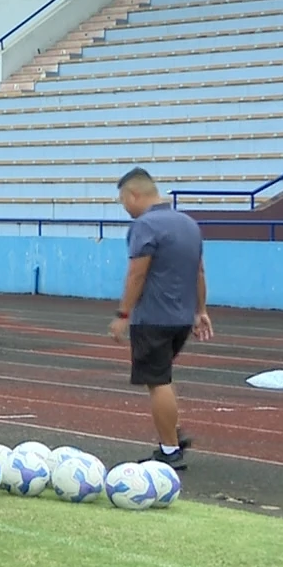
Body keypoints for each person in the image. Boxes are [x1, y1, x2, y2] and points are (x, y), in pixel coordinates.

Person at [110, 168, 213, 469]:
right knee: (162, 377)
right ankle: (172, 432)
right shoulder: (188, 224)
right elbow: (199, 271)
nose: (125, 207)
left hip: (154, 317)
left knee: (157, 381)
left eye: (122, 200)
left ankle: (169, 450)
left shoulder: (146, 226)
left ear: (134, 194)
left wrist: (123, 313)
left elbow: (137, 273)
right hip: (181, 316)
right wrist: (200, 311)